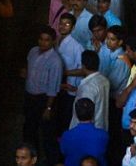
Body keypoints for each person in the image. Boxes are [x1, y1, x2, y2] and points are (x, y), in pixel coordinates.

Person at [23, 26, 63, 154]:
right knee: (29, 128)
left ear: (53, 41)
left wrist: (48, 108)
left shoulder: (55, 61)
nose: (43, 42)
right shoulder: (33, 51)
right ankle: (31, 154)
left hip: (43, 99)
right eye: (41, 39)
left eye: (47, 40)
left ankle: (47, 157)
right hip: (30, 96)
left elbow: (53, 87)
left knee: (47, 131)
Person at [60, 98, 109, 166]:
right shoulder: (103, 135)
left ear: (76, 114)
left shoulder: (66, 135)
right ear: (93, 113)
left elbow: (63, 152)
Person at [70, 50, 109, 131]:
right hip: (101, 127)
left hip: (87, 130)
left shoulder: (88, 86)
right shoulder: (104, 80)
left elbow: (84, 113)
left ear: (83, 66)